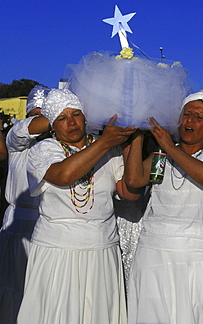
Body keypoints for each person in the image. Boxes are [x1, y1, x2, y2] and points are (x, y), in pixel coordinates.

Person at [17, 88, 140, 324]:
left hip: (102, 249)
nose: (71, 122)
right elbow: (62, 175)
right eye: (62, 118)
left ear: (86, 117)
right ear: (52, 126)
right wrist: (105, 141)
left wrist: (134, 140)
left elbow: (129, 193)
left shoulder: (109, 148)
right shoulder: (43, 149)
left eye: (76, 114)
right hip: (58, 251)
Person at [125, 89, 203, 324]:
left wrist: (170, 146)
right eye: (186, 114)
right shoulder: (162, 156)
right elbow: (134, 181)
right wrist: (139, 134)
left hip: (194, 258)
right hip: (154, 253)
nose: (190, 120)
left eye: (199, 117)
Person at [0, 85, 50, 324]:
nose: (40, 120)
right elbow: (34, 126)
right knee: (14, 288)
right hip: (20, 222)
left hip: (47, 224)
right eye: (36, 114)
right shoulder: (16, 137)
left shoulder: (55, 145)